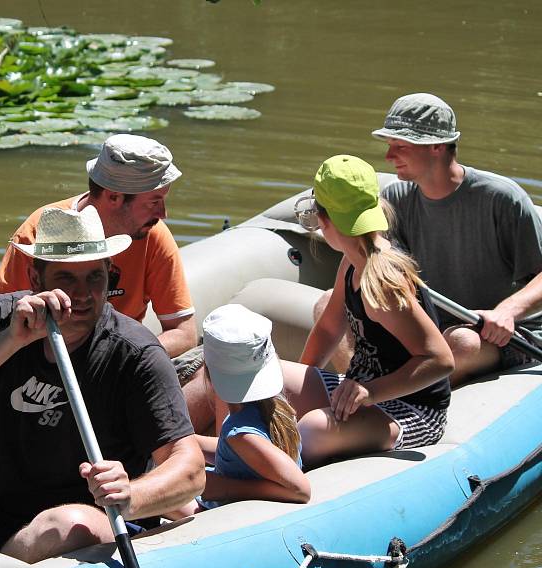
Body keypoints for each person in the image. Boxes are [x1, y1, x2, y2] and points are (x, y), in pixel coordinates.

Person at [0, 205, 204, 563]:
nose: (82, 294)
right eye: (66, 278)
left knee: (63, 524)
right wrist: (11, 341)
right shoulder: (6, 315)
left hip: (93, 518)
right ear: (34, 278)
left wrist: (129, 494)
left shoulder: (135, 351)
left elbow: (190, 470)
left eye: (95, 277)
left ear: (111, 275)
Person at [0, 133, 198, 448]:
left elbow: (184, 332)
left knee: (210, 372)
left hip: (116, 371)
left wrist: (116, 359)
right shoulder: (39, 235)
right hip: (43, 373)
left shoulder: (153, 235)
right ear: (114, 197)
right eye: (155, 201)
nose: (163, 213)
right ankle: (29, 455)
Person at [287, 155, 454, 468]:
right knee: (270, 380)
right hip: (361, 391)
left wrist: (370, 391)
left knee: (311, 431)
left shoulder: (383, 282)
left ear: (324, 220)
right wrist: (300, 385)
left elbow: (441, 360)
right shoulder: (352, 259)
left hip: (411, 409)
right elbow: (328, 328)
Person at [371, 92, 542, 386]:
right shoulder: (394, 198)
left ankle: (403, 403)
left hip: (501, 335)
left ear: (436, 145)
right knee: (328, 305)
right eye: (389, 146)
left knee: (461, 342)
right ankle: (364, 399)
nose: (388, 156)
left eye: (400, 146)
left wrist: (505, 312)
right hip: (434, 326)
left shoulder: (501, 198)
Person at [170, 304, 309, 519]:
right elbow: (238, 451)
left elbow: (300, 489)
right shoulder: (273, 406)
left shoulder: (241, 434)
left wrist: (225, 487)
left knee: (156, 492)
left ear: (207, 370)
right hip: (228, 493)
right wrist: (185, 441)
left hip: (223, 512)